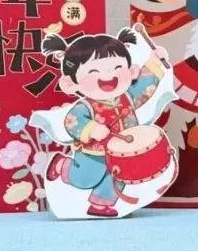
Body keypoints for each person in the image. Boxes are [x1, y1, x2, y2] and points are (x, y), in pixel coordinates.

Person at [43, 28, 170, 217]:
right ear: (70, 84)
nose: (108, 76)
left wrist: (154, 62)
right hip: (92, 153)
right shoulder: (85, 106)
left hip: (121, 151)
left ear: (132, 72)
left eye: (117, 68)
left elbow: (145, 87)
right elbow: (72, 121)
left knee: (119, 176)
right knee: (85, 179)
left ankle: (101, 205)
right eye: (93, 71)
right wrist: (91, 128)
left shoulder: (129, 97)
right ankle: (63, 165)